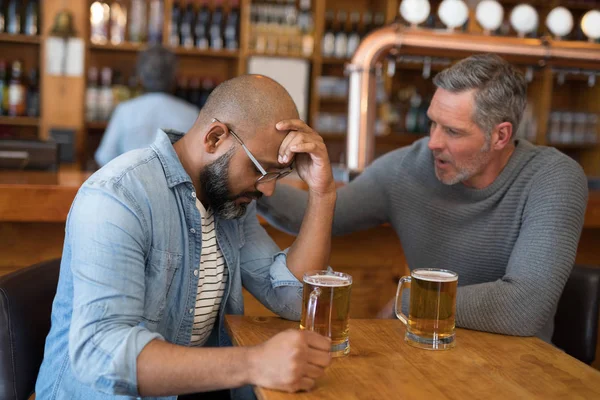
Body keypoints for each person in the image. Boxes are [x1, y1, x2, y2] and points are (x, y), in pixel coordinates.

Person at [36, 75, 338, 400]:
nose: (267, 189)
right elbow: (101, 356)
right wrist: (253, 363)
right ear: (214, 138)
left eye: (277, 174)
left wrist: (323, 193)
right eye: (260, 170)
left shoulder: (229, 203)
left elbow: (291, 300)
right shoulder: (119, 195)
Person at [258, 54, 589, 342]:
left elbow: (524, 308)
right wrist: (249, 173)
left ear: (500, 135)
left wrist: (409, 299)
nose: (433, 142)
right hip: (423, 353)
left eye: (453, 131)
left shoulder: (553, 177)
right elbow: (319, 214)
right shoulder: (409, 167)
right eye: (433, 124)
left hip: (521, 370)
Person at [94, 45, 199, 167]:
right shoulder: (191, 113)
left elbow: (105, 157)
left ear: (140, 77)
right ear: (174, 77)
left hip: (131, 185)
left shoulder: (125, 111)